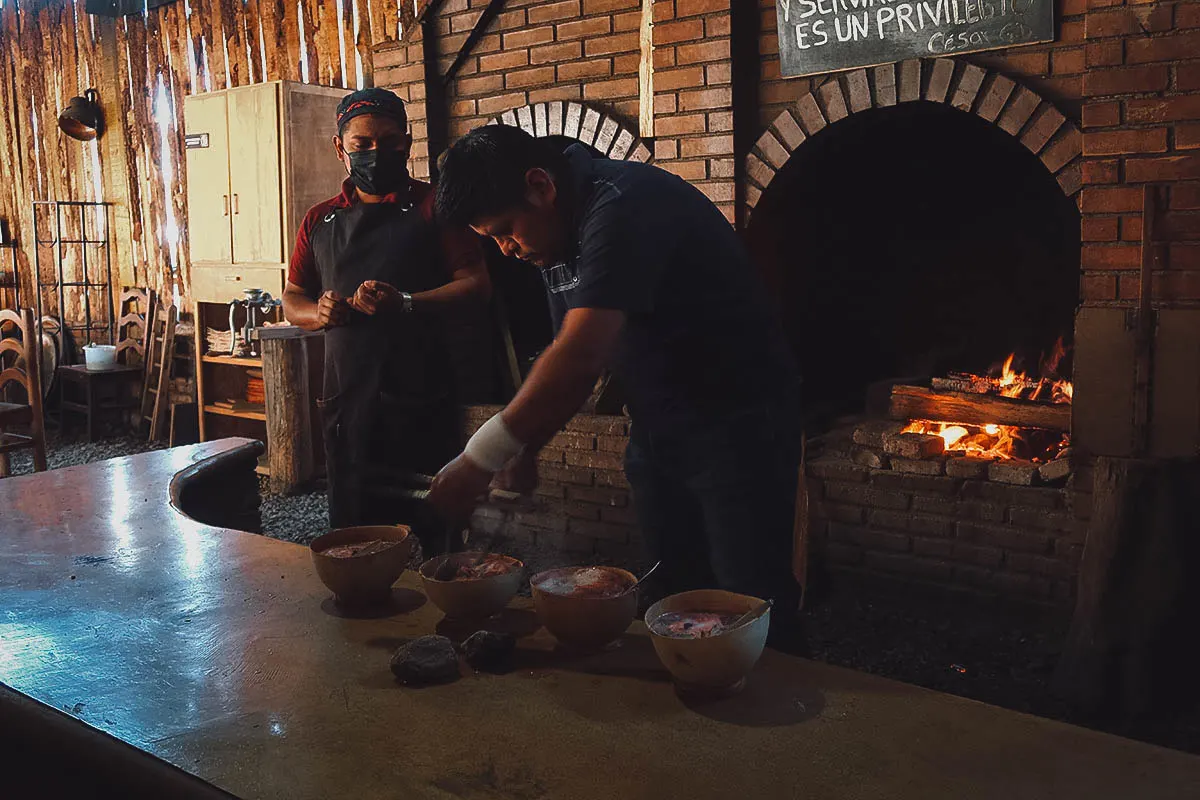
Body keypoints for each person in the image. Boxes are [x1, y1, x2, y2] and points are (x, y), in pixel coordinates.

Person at [427, 125, 804, 646]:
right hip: (657, 425)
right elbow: (569, 355)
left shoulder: (624, 204)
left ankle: (786, 712)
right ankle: (698, 700)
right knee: (674, 586)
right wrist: (528, 446)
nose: (506, 250)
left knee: (749, 598)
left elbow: (582, 354)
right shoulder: (556, 233)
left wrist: (479, 458)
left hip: (738, 424)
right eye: (491, 239)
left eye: (505, 230)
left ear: (540, 184)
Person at [282, 88, 490, 557]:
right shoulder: (319, 220)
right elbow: (293, 297)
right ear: (341, 148)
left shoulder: (436, 207)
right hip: (349, 403)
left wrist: (407, 302)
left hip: (424, 400)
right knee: (355, 539)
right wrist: (318, 313)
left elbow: (476, 284)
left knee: (438, 535)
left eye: (390, 142)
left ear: (408, 142)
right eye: (362, 144)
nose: (376, 153)